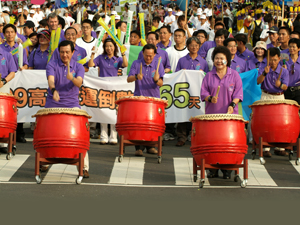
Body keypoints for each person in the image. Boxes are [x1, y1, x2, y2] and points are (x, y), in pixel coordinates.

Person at [45, 40, 89, 178]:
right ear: (59, 52)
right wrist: (54, 90)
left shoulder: (78, 66)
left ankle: (84, 166)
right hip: (54, 102)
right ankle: (44, 161)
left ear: (72, 52)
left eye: (67, 52)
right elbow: (51, 80)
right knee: (48, 133)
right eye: (62, 52)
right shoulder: (52, 64)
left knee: (79, 134)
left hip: (72, 104)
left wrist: (72, 78)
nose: (65, 55)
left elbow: (79, 83)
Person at [201, 46, 243, 179]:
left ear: (227, 60)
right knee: (212, 142)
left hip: (229, 116)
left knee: (227, 143)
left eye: (222, 59)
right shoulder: (208, 76)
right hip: (212, 116)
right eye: (216, 58)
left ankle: (227, 168)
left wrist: (232, 104)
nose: (219, 61)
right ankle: (212, 168)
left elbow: (238, 94)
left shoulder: (234, 75)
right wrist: (210, 98)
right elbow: (203, 93)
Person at [88, 38, 128, 145]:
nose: (109, 48)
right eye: (107, 46)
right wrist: (92, 53)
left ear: (114, 47)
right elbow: (91, 65)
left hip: (114, 89)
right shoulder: (101, 58)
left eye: (111, 46)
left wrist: (123, 53)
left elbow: (125, 64)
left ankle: (113, 136)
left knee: (113, 112)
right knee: (103, 111)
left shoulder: (118, 59)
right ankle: (103, 136)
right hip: (102, 88)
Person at [127, 44, 164, 156]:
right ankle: (138, 148)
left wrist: (157, 80)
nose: (148, 58)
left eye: (151, 56)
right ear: (142, 53)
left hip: (154, 99)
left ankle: (151, 146)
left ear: (154, 55)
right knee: (139, 124)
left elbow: (161, 83)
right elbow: (129, 79)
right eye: (146, 55)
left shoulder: (158, 64)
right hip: (139, 98)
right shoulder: (136, 63)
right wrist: (137, 76)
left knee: (152, 124)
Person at [174, 36, 209, 147]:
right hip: (184, 92)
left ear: (199, 47)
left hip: (197, 93)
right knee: (183, 113)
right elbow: (176, 76)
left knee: (197, 114)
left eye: (196, 45)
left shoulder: (203, 62)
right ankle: (181, 137)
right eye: (191, 45)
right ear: (187, 46)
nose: (194, 47)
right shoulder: (182, 60)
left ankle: (195, 135)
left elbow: (207, 77)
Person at [257, 47, 289, 157]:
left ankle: (280, 146)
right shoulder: (264, 68)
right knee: (265, 122)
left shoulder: (284, 71)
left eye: (275, 60)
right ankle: (265, 148)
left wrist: (280, 85)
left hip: (279, 97)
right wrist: (264, 74)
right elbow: (258, 81)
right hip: (266, 95)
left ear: (279, 59)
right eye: (270, 59)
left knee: (280, 122)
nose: (272, 62)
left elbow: (285, 87)